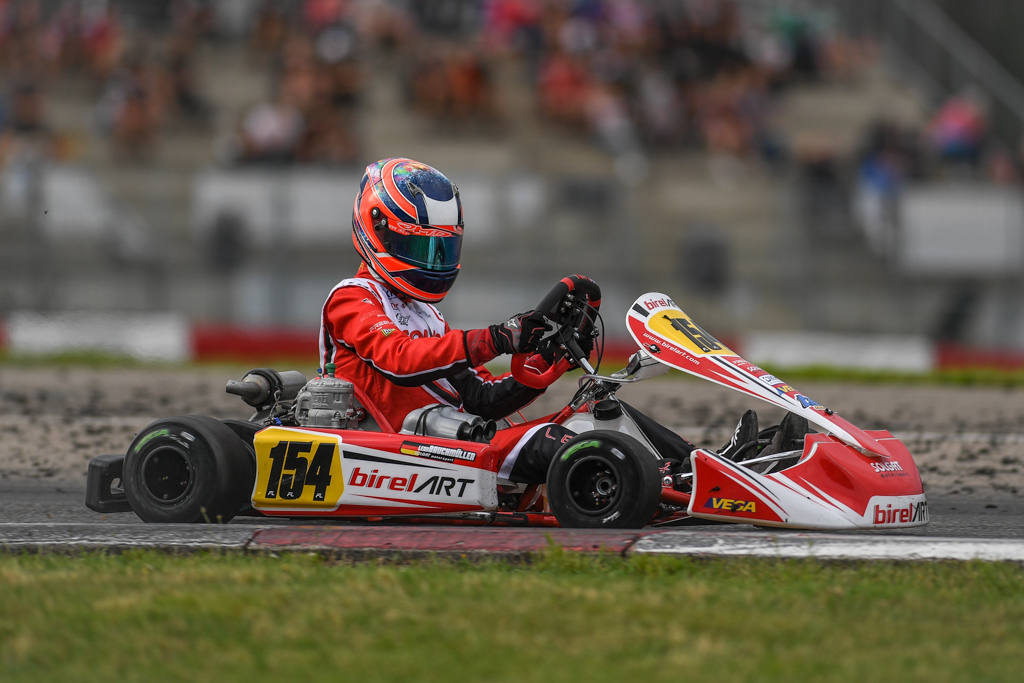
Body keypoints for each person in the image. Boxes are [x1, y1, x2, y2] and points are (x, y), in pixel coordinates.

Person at [319, 158, 804, 485]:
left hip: (452, 445)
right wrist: (500, 338)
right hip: (394, 452)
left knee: (603, 410)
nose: (432, 261)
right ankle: (671, 482)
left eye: (441, 247)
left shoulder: (427, 315)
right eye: (420, 246)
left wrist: (534, 375)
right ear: (376, 228)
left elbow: (481, 402)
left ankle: (711, 468)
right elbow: (399, 361)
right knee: (552, 440)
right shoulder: (352, 298)